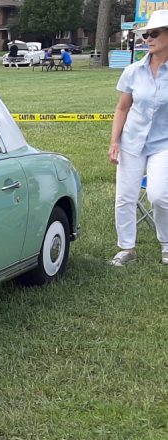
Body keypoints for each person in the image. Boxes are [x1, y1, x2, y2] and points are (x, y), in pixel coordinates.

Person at [108, 9, 168, 266]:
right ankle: (127, 248)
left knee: (159, 195)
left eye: (154, 33)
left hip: (163, 144)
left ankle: (166, 243)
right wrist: (114, 142)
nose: (148, 38)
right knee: (125, 196)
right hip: (131, 141)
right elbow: (122, 108)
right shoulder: (133, 71)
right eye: (145, 34)